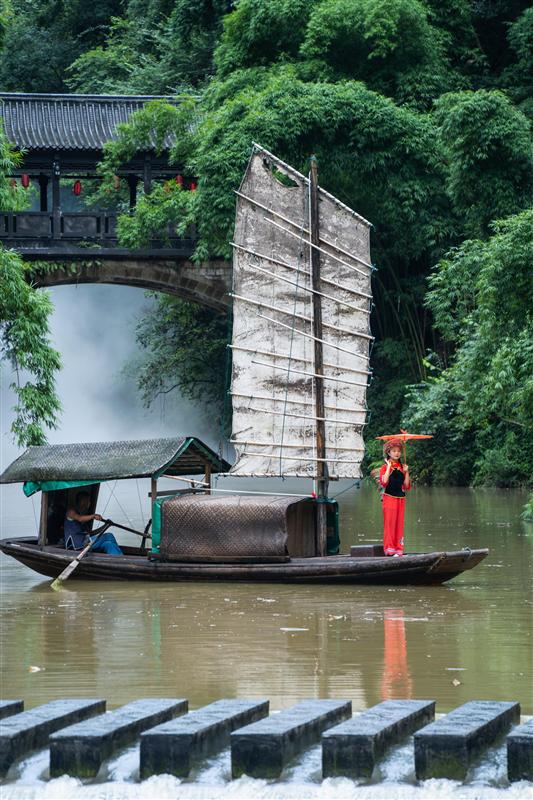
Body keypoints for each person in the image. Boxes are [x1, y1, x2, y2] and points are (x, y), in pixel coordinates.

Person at [64, 490, 123, 556]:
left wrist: (105, 526)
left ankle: (118, 561)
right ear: (82, 501)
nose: (89, 503)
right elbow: (80, 518)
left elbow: (90, 533)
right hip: (77, 546)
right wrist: (94, 516)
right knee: (109, 536)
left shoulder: (83, 516)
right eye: (88, 501)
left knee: (109, 544)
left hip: (86, 544)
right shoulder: (71, 512)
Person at [379, 439, 411, 556]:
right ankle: (389, 549)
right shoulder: (384, 467)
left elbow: (407, 486)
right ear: (389, 453)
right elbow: (384, 482)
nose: (397, 453)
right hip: (389, 498)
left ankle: (398, 549)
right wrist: (388, 466)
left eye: (398, 451)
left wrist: (406, 472)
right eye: (394, 451)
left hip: (401, 499)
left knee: (399, 524)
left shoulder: (403, 467)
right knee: (390, 523)